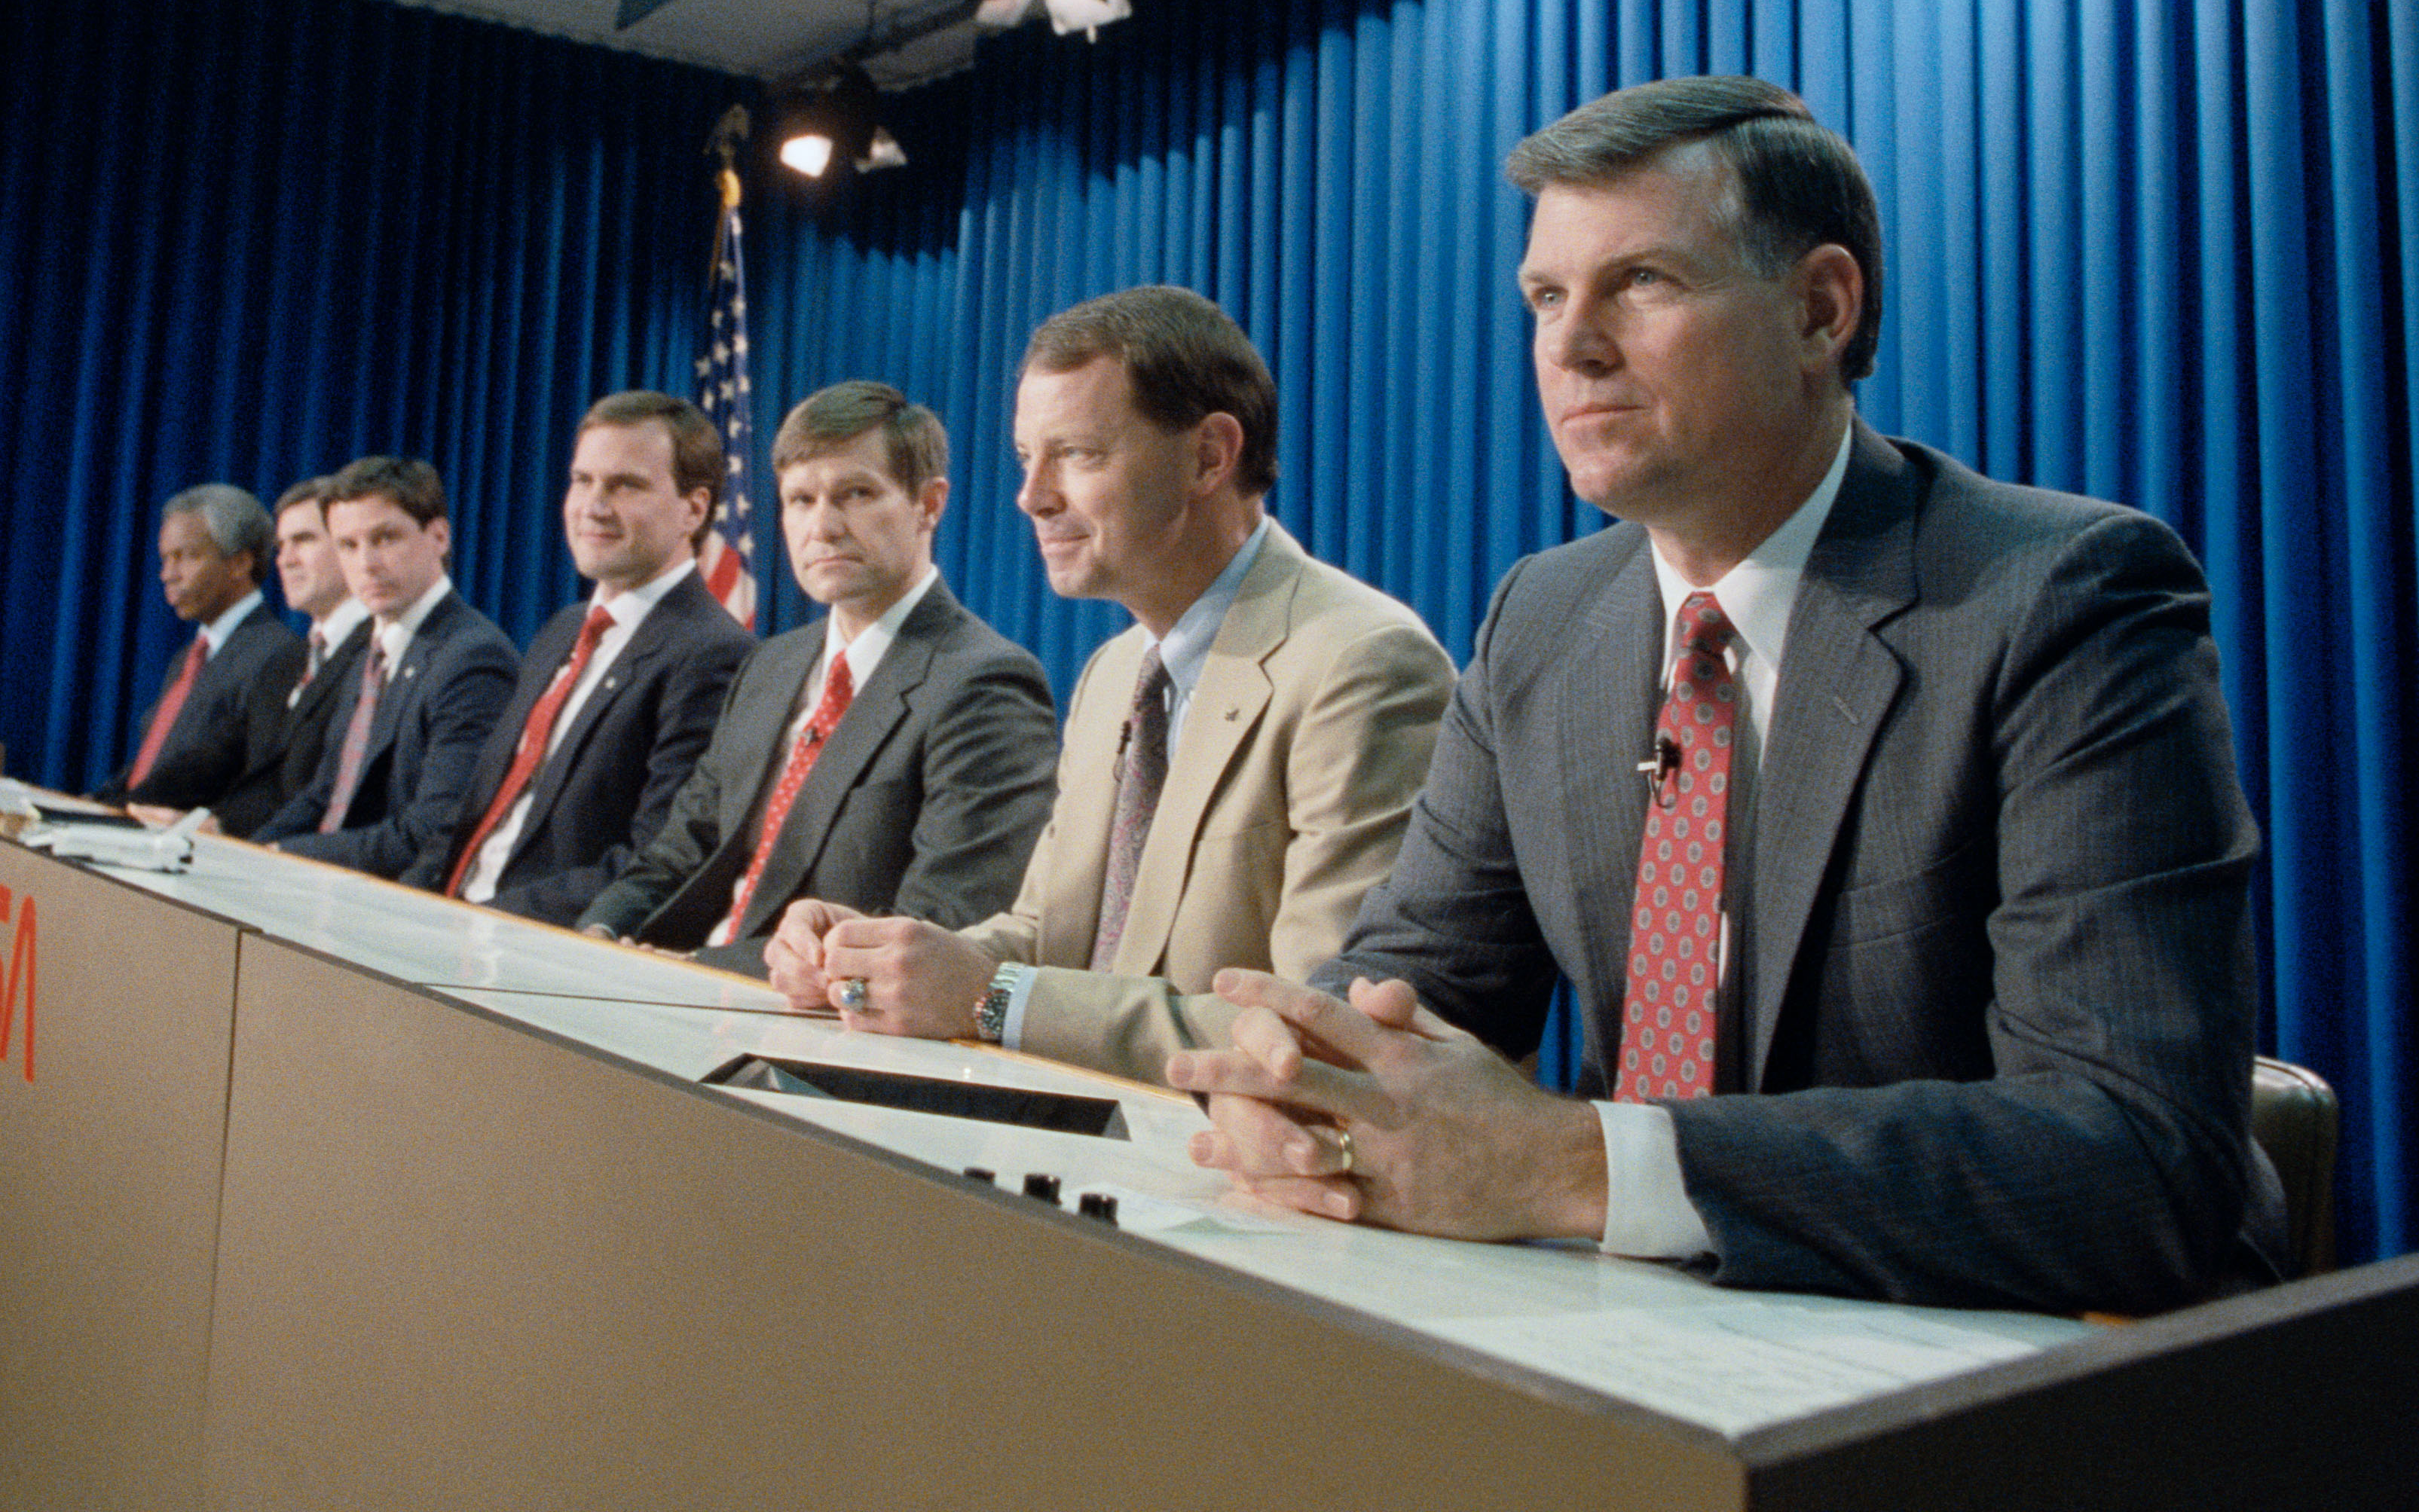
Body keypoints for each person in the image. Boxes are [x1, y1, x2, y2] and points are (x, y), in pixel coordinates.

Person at [1171, 75, 2285, 1316]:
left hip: (1992, 1370)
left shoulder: (2057, 598)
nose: (1569, 343)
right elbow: (1417, 977)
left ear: (1819, 306)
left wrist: (1575, 1164)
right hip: (1632, 1348)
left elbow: (2135, 1158)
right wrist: (1301, 1074)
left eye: (1639, 282)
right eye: (1545, 295)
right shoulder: (1540, 617)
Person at [769, 288, 1453, 1083]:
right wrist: (873, 957)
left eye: (1078, 454)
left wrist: (993, 1000)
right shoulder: (1111, 673)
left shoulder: (1362, 664)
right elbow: (1044, 936)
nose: (1032, 497)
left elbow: (1324, 1030)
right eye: (1027, 457)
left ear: (1207, 456)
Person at [579, 382, 1055, 961]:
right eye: (801, 500)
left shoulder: (984, 683)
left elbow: (934, 929)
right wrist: (601, 935)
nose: (822, 526)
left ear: (928, 504)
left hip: (802, 1022)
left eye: (855, 493)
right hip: (674, 986)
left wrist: (696, 970)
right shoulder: (770, 665)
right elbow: (679, 852)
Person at [406, 394, 754, 922]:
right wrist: (404, 902)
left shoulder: (713, 654)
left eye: (626, 485)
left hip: (535, 950)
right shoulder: (564, 628)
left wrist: (477, 926)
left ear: (695, 508)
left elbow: (653, 862)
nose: (593, 506)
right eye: (583, 480)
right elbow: (475, 811)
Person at [259, 458, 519, 878]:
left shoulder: (473, 657)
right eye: (348, 545)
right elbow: (324, 794)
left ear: (438, 536)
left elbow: (432, 830)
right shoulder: (373, 649)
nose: (366, 563)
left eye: (385, 538)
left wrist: (285, 856)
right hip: (335, 878)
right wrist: (238, 854)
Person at [149, 475, 372, 838]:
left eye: (304, 540)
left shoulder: (375, 658)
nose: (285, 560)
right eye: (281, 546)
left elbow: (321, 790)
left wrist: (221, 827)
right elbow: (228, 766)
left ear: (349, 547)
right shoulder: (290, 661)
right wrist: (115, 810)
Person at [99, 483, 300, 817]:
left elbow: (258, 782)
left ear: (240, 563)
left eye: (186, 556)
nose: (167, 575)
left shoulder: (278, 654)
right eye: (165, 558)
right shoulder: (188, 658)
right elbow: (157, 764)